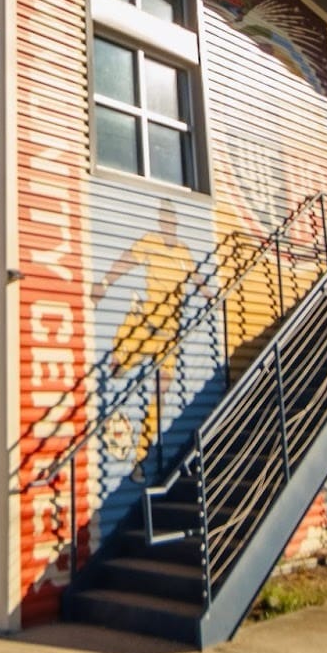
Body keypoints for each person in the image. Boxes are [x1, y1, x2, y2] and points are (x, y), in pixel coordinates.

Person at [95, 203, 199, 482]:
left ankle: (141, 456)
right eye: (164, 222)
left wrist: (211, 294)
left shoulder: (184, 252)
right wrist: (104, 283)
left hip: (169, 338)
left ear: (175, 224)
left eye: (171, 222)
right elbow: (127, 261)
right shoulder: (151, 242)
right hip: (145, 326)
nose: (167, 227)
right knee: (118, 369)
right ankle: (107, 407)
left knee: (160, 393)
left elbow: (198, 278)